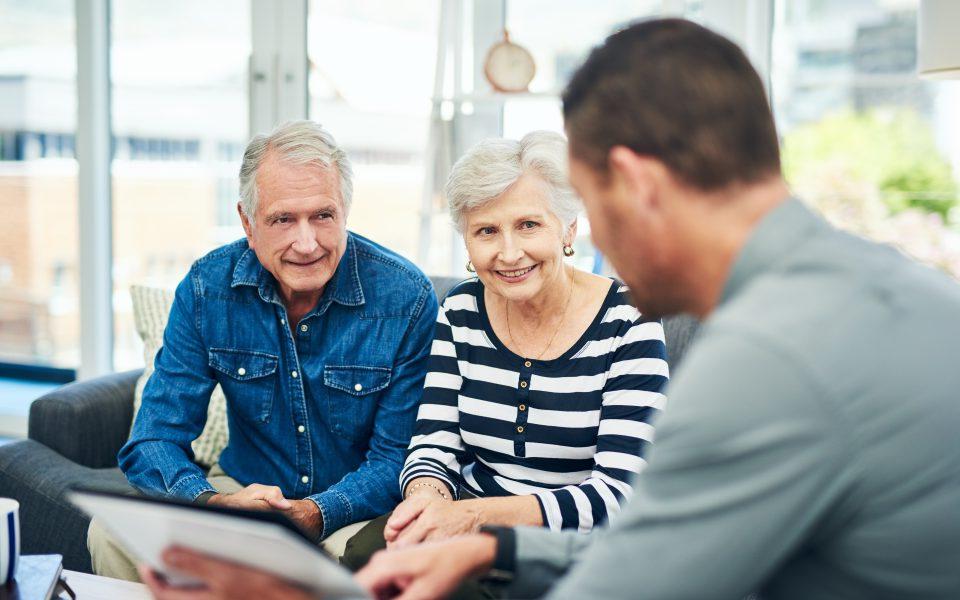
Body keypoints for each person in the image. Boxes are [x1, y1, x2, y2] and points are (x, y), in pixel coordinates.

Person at [143, 18, 960, 600]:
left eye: (584, 209)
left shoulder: (761, 360)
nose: (582, 238)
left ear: (635, 186)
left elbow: (628, 574)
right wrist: (489, 548)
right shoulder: (901, 290)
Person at [88, 120, 439, 582]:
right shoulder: (206, 289)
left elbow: (396, 458)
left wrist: (317, 511)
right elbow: (153, 439)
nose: (307, 242)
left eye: (323, 216)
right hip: (240, 491)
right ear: (248, 223)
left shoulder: (406, 297)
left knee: (336, 567)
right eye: (282, 220)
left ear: (345, 212)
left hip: (351, 511)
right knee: (109, 531)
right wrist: (214, 505)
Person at [339, 131, 669, 579]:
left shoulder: (630, 318)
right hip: (466, 516)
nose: (509, 253)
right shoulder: (461, 310)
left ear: (569, 227)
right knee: (369, 555)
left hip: (572, 539)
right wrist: (427, 501)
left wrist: (476, 518)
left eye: (529, 225)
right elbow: (433, 442)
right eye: (487, 231)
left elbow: (620, 492)